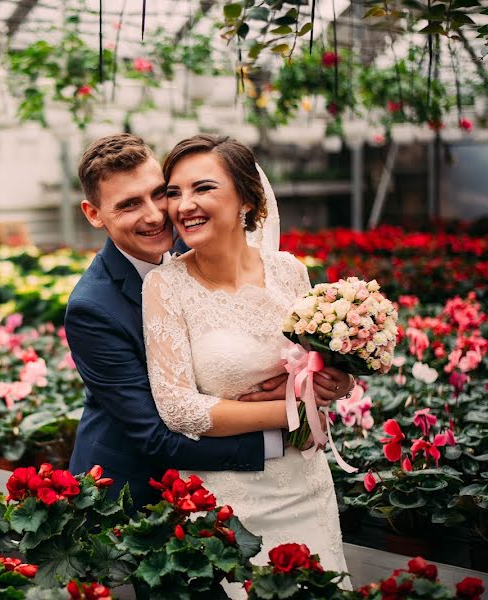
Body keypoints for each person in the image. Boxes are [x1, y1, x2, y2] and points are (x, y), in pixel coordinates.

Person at [65, 133, 353, 510]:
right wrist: (287, 425)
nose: (155, 215)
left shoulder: (201, 238)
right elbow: (155, 435)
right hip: (130, 492)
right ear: (93, 214)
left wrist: (329, 379)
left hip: (266, 484)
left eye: (159, 194)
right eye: (129, 205)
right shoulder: (92, 307)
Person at [142, 134, 352, 594]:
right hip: (227, 502)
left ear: (247, 199)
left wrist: (336, 380)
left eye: (203, 188)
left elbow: (315, 366)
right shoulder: (164, 286)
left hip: (306, 483)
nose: (184, 205)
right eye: (174, 192)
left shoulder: (289, 271)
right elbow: (178, 409)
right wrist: (293, 410)